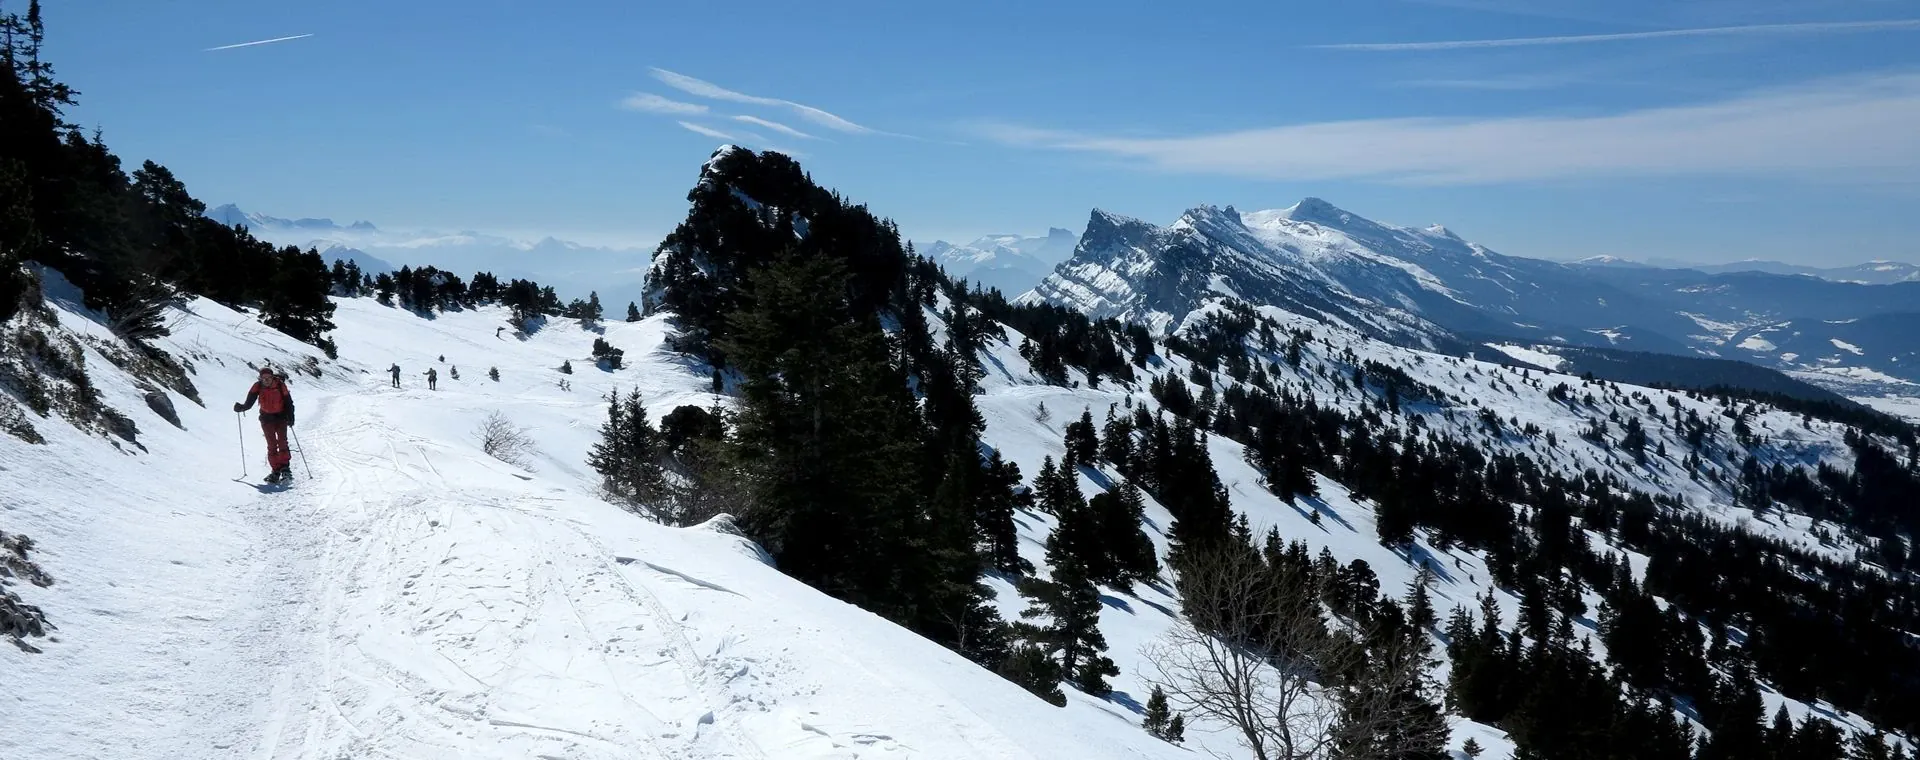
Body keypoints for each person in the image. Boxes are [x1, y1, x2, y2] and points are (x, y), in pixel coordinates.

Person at [234, 366, 296, 484]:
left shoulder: (280, 385)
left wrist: (291, 416)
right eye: (264, 378)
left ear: (273, 377)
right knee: (271, 444)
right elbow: (249, 402)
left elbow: (288, 401)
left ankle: (285, 467)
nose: (266, 380)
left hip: (281, 417)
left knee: (282, 442)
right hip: (266, 419)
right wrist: (241, 408)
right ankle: (276, 469)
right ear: (260, 378)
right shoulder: (257, 386)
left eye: (268, 377)